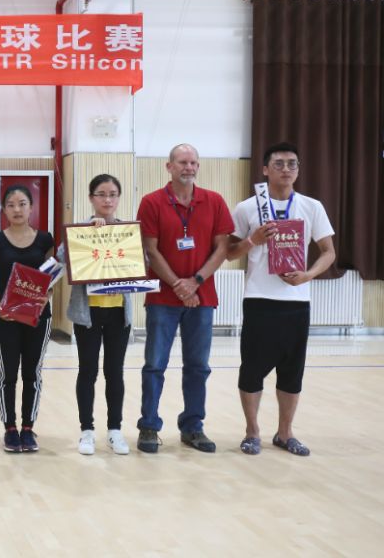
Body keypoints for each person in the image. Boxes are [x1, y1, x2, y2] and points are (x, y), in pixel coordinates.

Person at [226, 142, 335, 457]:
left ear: (298, 170)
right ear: (265, 169)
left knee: (292, 371)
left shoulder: (312, 206)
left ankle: (285, 433)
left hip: (297, 302)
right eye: (279, 163)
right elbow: (229, 252)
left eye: (292, 164)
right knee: (252, 369)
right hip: (259, 299)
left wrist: (308, 275)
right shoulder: (247, 208)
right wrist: (253, 240)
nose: (286, 169)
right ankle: (252, 432)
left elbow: (329, 252)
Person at [136, 143, 233, 454]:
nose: (188, 167)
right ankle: (149, 426)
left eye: (193, 162)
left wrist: (196, 282)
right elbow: (150, 250)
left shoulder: (214, 201)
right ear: (169, 167)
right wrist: (179, 285)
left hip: (202, 298)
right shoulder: (151, 202)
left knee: (198, 366)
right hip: (163, 299)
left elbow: (222, 248)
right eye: (182, 162)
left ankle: (193, 427)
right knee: (155, 364)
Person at [60, 174, 133, 456]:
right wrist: (88, 234)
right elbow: (62, 257)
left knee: (115, 372)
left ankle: (115, 430)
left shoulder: (127, 231)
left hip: (118, 313)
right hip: (87, 313)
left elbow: (142, 263)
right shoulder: (81, 229)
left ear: (118, 198)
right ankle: (86, 430)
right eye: (101, 194)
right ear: (91, 198)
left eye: (113, 194)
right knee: (87, 370)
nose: (107, 199)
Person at [0, 184, 55, 453]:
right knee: (8, 374)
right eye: (11, 205)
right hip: (6, 318)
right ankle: (10, 428)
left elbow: (51, 277)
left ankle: (28, 427)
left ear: (31, 207)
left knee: (32, 373)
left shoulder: (45, 240)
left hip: (38, 317)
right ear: (3, 209)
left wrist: (46, 296)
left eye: (22, 204)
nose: (17, 209)